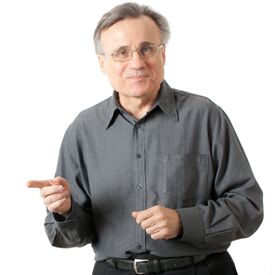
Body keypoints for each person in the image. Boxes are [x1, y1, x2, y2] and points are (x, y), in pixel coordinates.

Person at [27, 3, 263, 275]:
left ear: (164, 55)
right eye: (122, 53)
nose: (137, 62)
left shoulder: (206, 116)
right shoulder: (82, 129)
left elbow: (249, 207)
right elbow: (69, 237)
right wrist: (65, 211)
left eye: (147, 49)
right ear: (102, 62)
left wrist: (184, 222)